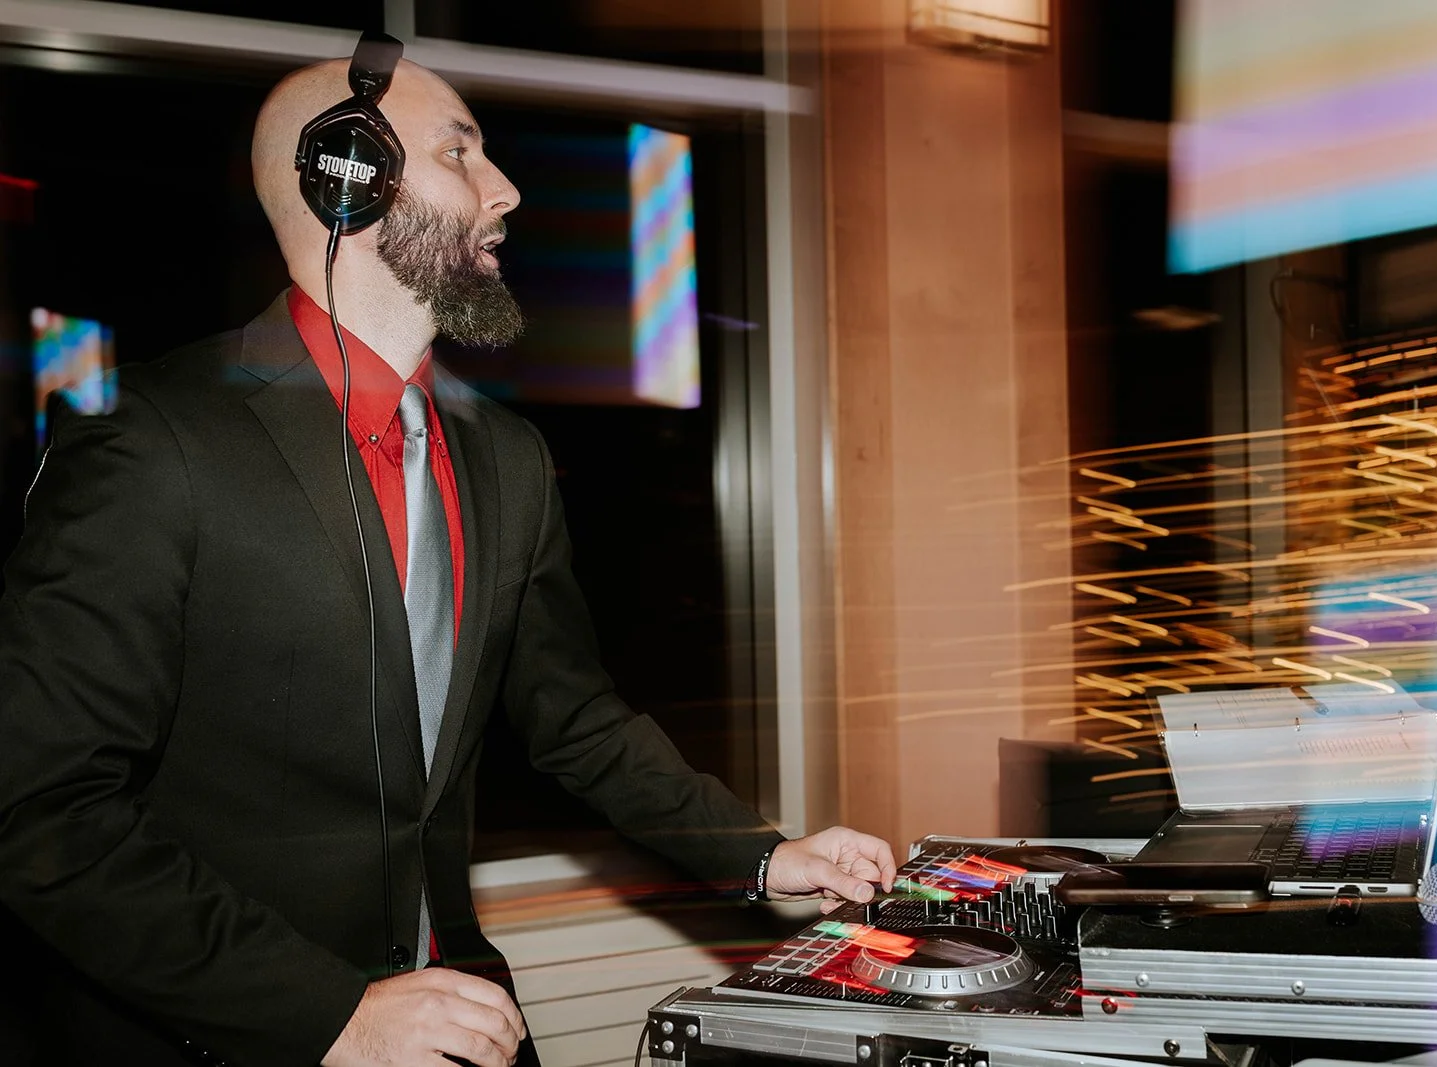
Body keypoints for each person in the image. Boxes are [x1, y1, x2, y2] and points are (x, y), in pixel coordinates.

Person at [0, 45, 896, 1067]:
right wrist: (332, 1012)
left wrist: (763, 853)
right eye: (461, 152)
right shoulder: (153, 441)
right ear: (349, 180)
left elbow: (576, 719)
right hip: (231, 1031)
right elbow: (40, 809)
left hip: (459, 1017)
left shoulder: (506, 457)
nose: (504, 190)